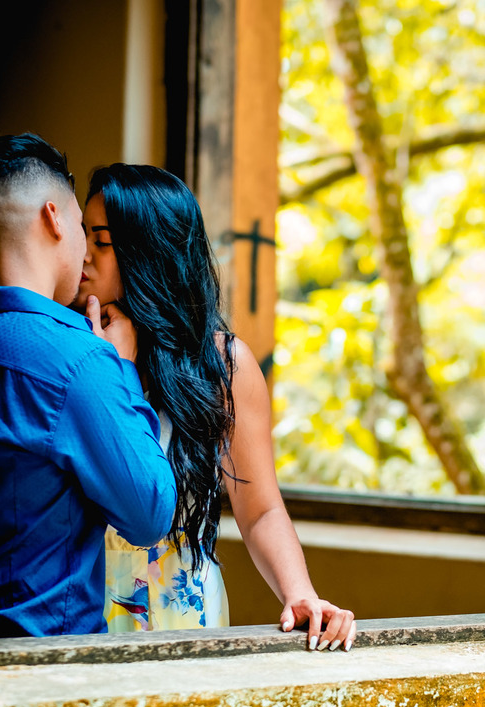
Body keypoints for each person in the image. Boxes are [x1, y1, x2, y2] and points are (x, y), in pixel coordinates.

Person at [79, 163, 357, 652]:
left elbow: (260, 509)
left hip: (187, 618)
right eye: (82, 234)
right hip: (82, 617)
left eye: (100, 241)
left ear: (149, 253)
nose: (82, 253)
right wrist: (112, 368)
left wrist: (300, 593)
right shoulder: (66, 351)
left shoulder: (223, 365)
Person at [0, 135, 178, 638]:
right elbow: (150, 514)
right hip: (48, 655)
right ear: (54, 218)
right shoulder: (80, 361)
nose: (86, 250)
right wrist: (122, 369)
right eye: (81, 228)